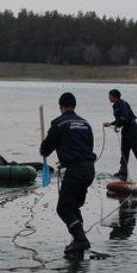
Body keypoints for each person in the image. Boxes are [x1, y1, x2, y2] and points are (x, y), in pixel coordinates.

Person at [40, 92, 97, 257]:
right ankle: (78, 242)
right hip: (89, 170)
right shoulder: (86, 124)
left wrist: (44, 146)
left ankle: (80, 239)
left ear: (61, 106)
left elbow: (45, 149)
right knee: (73, 206)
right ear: (74, 106)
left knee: (63, 208)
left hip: (76, 171)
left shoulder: (59, 124)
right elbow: (86, 147)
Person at [102, 89, 137, 181]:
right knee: (124, 149)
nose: (108, 98)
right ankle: (123, 171)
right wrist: (111, 124)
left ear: (114, 96)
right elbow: (120, 119)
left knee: (136, 148)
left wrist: (117, 126)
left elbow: (124, 116)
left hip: (132, 127)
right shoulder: (115, 105)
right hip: (126, 128)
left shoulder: (122, 103)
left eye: (109, 96)